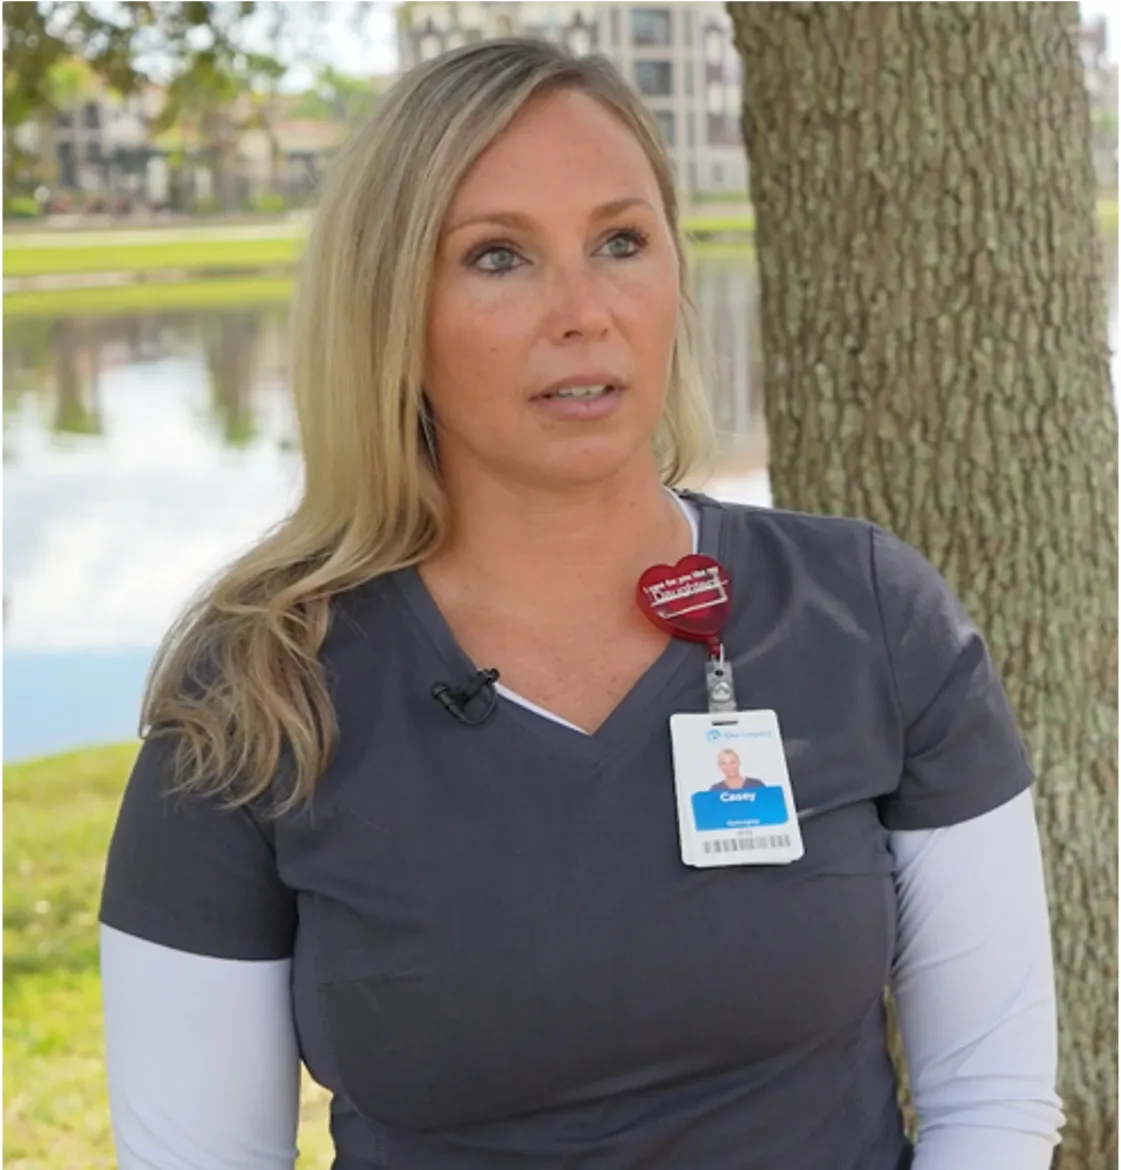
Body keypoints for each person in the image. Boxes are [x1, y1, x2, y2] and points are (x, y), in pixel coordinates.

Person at [98, 37, 1064, 1170]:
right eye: (497, 258)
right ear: (390, 311)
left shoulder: (867, 613)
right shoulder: (259, 690)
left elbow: (988, 1102)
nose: (583, 311)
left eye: (619, 242)